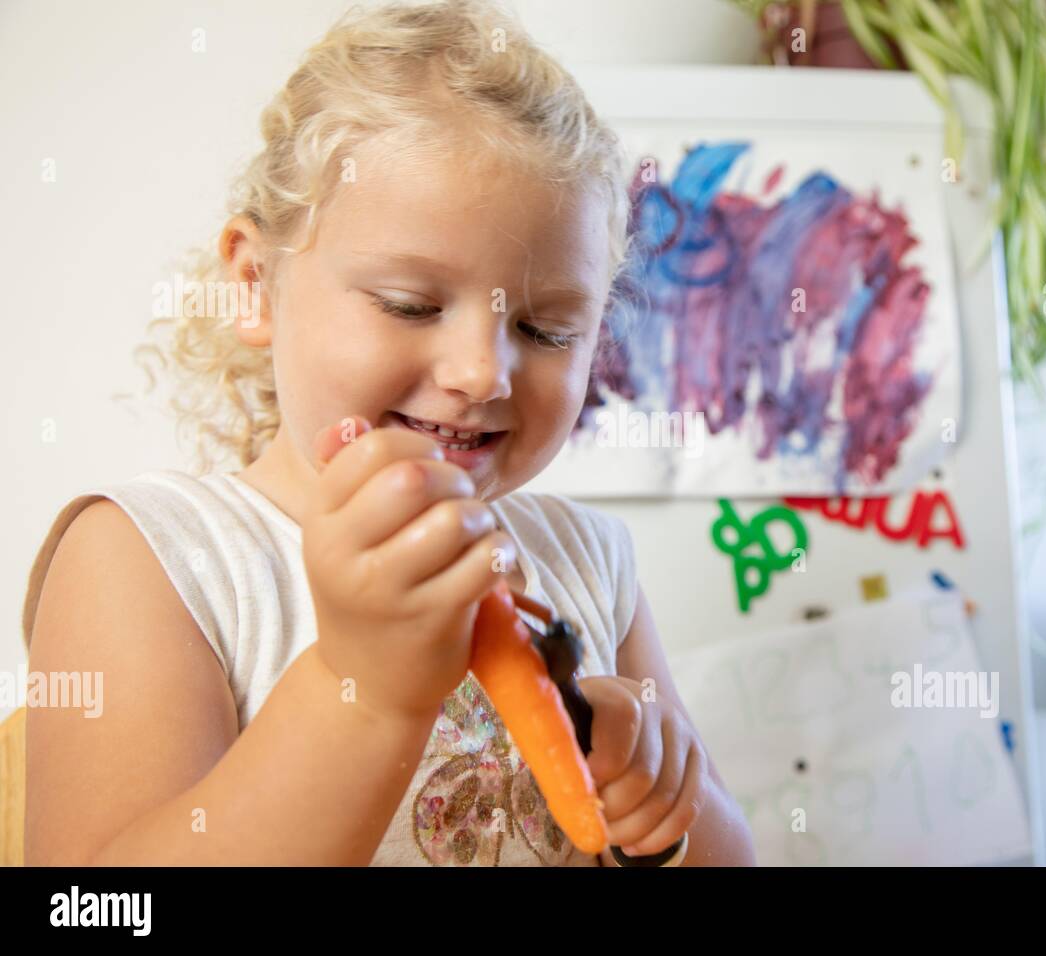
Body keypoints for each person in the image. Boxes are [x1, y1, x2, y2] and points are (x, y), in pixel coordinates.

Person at [23, 0, 755, 867]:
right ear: (256, 284)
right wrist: (363, 690)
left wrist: (664, 802)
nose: (483, 373)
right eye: (410, 306)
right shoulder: (152, 558)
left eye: (548, 330)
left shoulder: (589, 563)